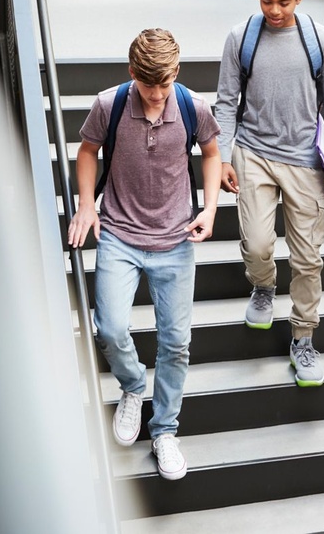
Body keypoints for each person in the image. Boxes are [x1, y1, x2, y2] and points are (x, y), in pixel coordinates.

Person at [68, 29, 222, 481]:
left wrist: (210, 209)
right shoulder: (109, 104)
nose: (156, 95)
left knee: (176, 342)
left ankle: (165, 431)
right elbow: (87, 151)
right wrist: (84, 203)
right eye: (148, 85)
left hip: (176, 239)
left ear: (177, 73)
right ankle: (134, 386)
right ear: (132, 73)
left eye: (165, 84)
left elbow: (212, 153)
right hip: (119, 233)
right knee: (111, 328)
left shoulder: (193, 106)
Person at [215, 0, 324, 387]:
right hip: (253, 154)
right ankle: (263, 286)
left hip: (305, 162)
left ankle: (303, 338)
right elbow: (225, 103)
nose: (274, 11)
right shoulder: (241, 38)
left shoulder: (320, 42)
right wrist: (222, 155)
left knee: (308, 259)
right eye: (266, 1)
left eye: (284, 3)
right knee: (257, 246)